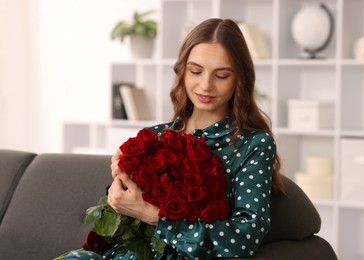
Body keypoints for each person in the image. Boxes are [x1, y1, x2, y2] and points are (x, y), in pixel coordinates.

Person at [64, 18, 285, 260]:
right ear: (182, 71)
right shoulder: (154, 136)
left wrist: (157, 217)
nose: (206, 85)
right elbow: (119, 223)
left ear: (239, 79)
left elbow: (244, 239)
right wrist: (119, 186)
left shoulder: (253, 144)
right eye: (196, 71)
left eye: (221, 75)